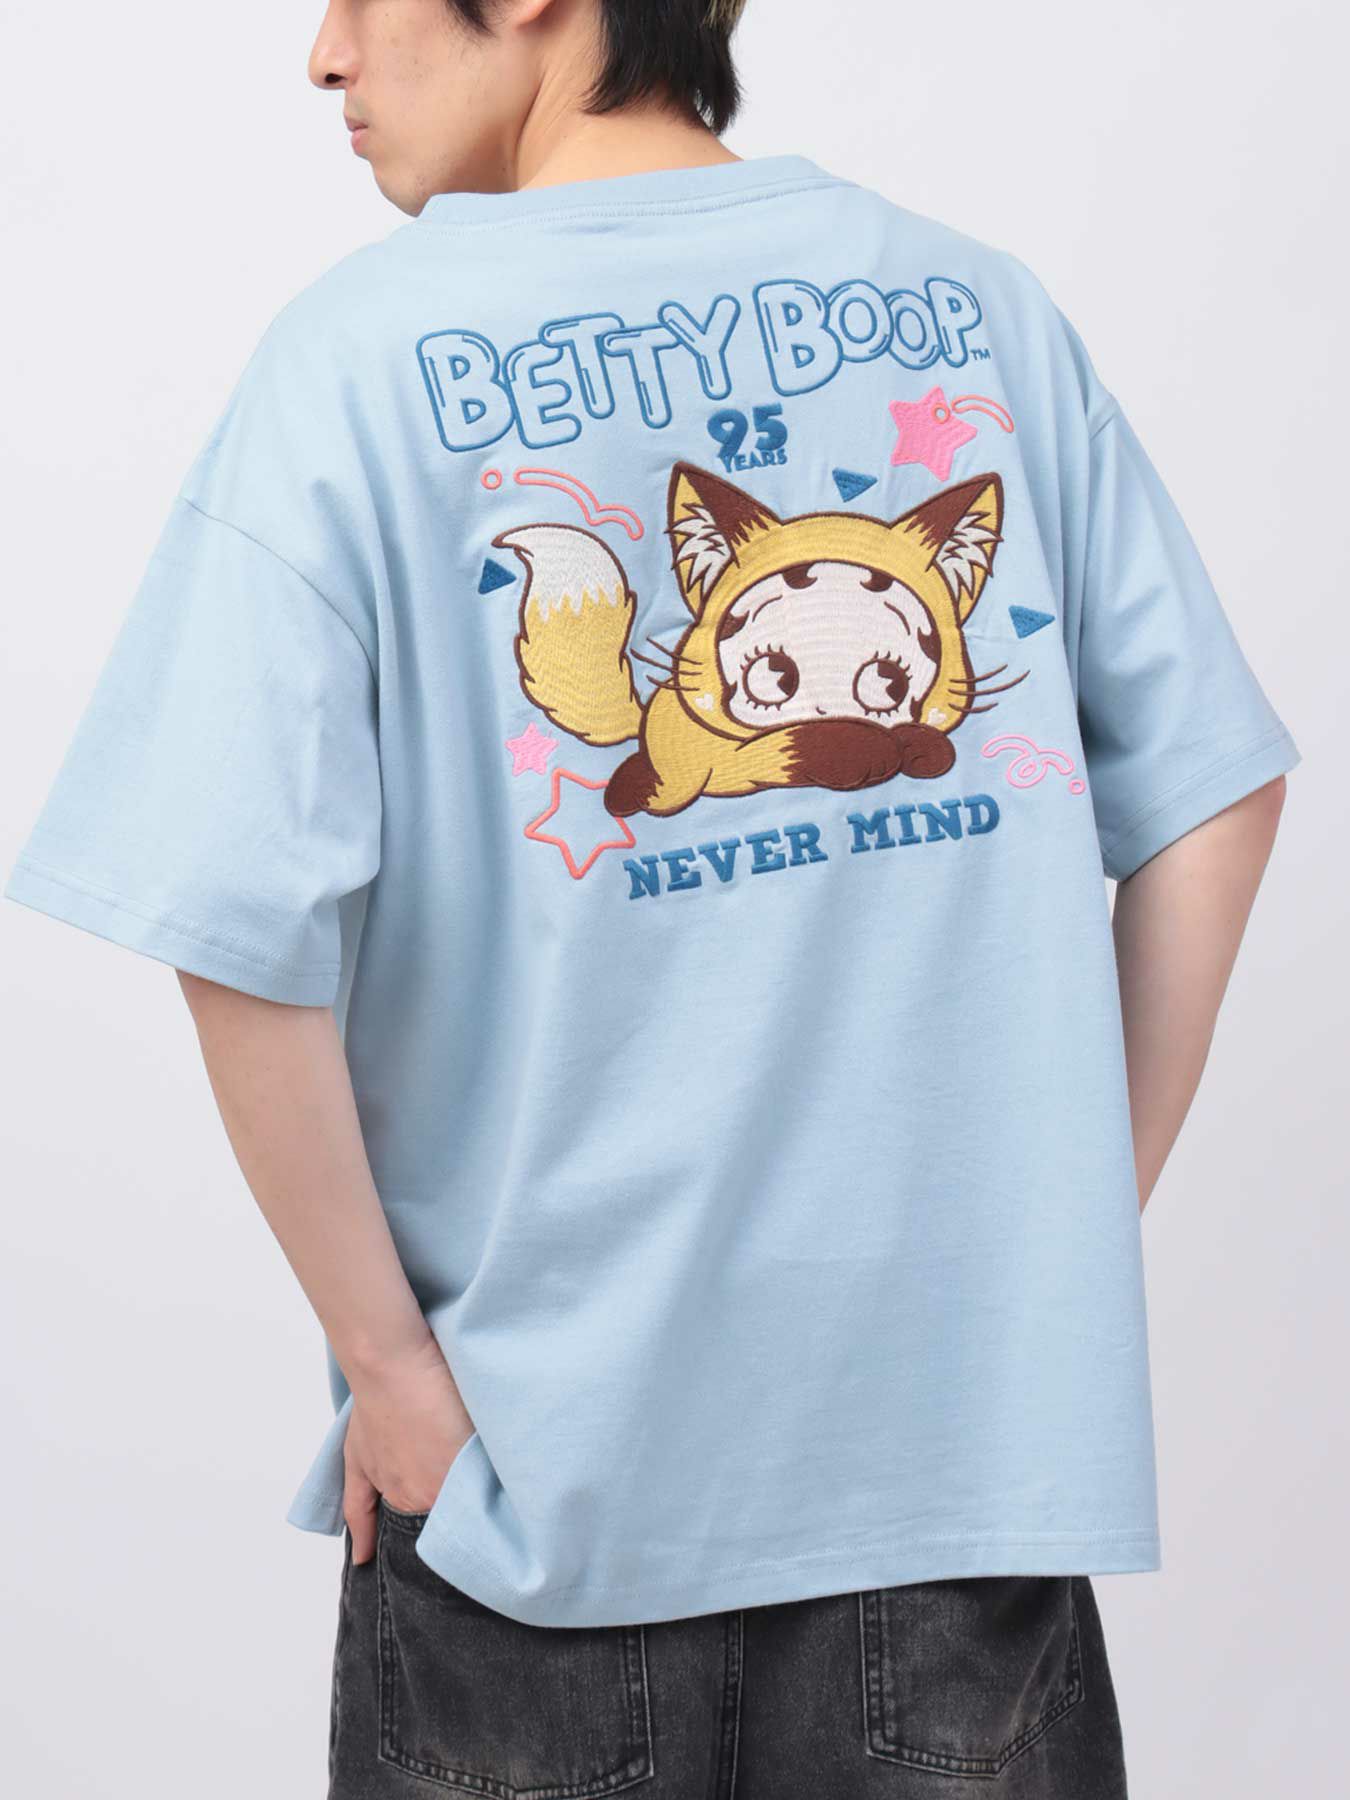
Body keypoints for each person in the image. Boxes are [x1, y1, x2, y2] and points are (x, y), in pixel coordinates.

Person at [4, 1, 1299, 1794]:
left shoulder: (356, 361)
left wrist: (392, 1372)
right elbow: (1217, 793)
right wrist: (1053, 1225)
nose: (324, 53)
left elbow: (233, 917)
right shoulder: (977, 311)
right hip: (948, 1472)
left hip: (533, 1487)